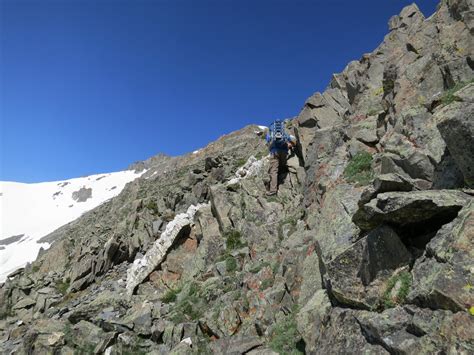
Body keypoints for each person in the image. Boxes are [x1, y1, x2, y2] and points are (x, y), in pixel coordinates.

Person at [265, 119, 296, 196]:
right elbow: (293, 140)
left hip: (274, 152)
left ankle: (273, 190)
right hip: (284, 152)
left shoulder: (271, 133)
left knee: (273, 171)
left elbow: (268, 140)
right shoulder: (284, 133)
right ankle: (283, 173)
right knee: (282, 165)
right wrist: (290, 145)